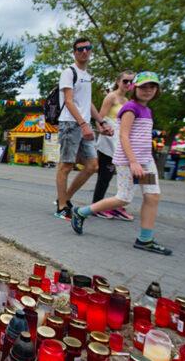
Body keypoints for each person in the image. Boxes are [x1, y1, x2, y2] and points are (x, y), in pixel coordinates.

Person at [70, 71, 172, 255]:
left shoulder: (147, 110)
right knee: (124, 197)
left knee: (152, 196)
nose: (148, 90)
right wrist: (133, 162)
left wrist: (142, 161)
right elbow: (123, 136)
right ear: (135, 88)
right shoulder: (131, 108)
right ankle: (81, 212)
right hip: (128, 162)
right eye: (143, 87)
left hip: (145, 162)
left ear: (157, 90)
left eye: (152, 87)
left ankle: (145, 239)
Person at [54, 37, 114, 220]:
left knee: (92, 166)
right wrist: (83, 123)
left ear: (91, 51)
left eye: (87, 48)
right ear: (74, 52)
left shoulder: (87, 76)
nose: (84, 52)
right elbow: (69, 101)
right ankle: (62, 207)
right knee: (66, 165)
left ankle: (64, 198)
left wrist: (101, 122)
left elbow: (87, 103)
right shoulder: (69, 72)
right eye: (80, 49)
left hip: (84, 124)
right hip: (70, 124)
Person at [91, 71, 135, 221]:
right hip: (109, 140)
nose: (128, 84)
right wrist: (102, 129)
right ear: (118, 81)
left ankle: (117, 205)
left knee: (125, 175)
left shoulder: (127, 100)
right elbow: (99, 117)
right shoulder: (111, 97)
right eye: (125, 81)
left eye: (131, 82)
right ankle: (96, 206)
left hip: (120, 140)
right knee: (105, 175)